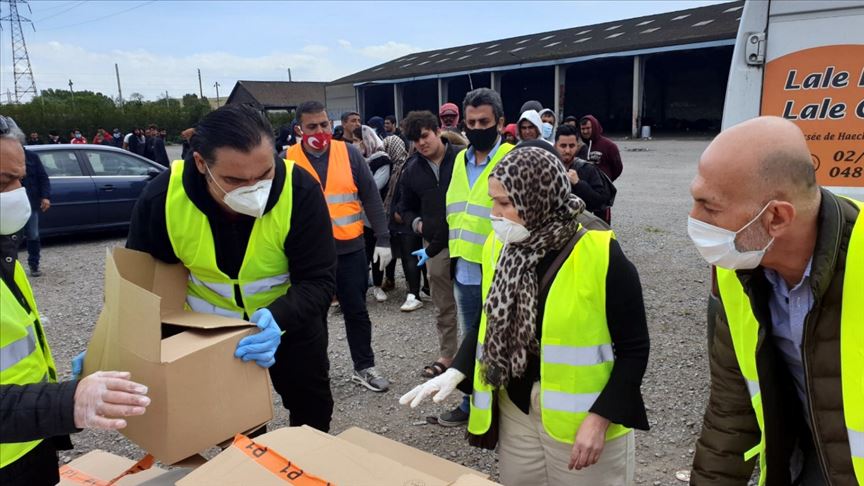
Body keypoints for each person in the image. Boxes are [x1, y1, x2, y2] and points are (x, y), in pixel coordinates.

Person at [401, 145, 649, 486]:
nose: (494, 214)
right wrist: (458, 369)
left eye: (505, 203)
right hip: (516, 409)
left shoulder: (600, 252)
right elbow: (489, 319)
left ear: (538, 198)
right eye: (492, 201)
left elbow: (634, 349)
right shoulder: (499, 246)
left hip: (583, 420)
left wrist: (601, 417)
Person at [126, 105, 336, 432]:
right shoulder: (164, 198)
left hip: (288, 323)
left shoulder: (300, 190)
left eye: (264, 174)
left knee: (312, 409)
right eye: (234, 180)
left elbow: (319, 280)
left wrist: (278, 318)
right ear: (201, 164)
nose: (252, 188)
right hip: (213, 331)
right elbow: (140, 284)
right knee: (238, 427)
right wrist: (123, 344)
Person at [689, 116, 863, 485]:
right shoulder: (739, 269)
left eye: (709, 207)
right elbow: (730, 411)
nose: (694, 218)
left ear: (777, 217)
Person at [1, 115, 151, 485]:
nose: (18, 193)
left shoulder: (5, 252)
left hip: (28, 440)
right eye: (3, 182)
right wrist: (68, 401)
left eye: (20, 180)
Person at [287, 100, 393, 392]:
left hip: (349, 249)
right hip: (308, 256)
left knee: (356, 311)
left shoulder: (348, 153)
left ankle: (364, 366)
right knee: (312, 317)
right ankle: (316, 369)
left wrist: (383, 239)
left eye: (324, 124)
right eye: (312, 126)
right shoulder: (286, 160)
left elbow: (370, 196)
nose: (320, 131)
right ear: (299, 129)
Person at [439, 87, 514, 426]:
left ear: (499, 121)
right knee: (472, 338)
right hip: (465, 269)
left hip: (501, 269)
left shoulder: (512, 158)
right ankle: (472, 404)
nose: (477, 128)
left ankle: (504, 406)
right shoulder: (458, 160)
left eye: (484, 122)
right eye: (471, 123)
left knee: (503, 337)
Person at [399, 110, 464, 377]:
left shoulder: (463, 158)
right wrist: (418, 224)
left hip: (469, 239)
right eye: (415, 140)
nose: (421, 143)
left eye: (425, 136)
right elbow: (404, 207)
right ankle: (448, 355)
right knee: (443, 302)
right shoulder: (411, 170)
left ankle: (481, 353)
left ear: (438, 131)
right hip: (435, 245)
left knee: (478, 298)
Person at [381, 133, 426, 312]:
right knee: (418, 255)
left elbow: (404, 191)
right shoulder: (410, 162)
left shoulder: (412, 164)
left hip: (409, 216)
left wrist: (399, 210)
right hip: (412, 215)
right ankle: (422, 289)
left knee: (411, 256)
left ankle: (414, 294)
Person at [358, 125, 396, 302]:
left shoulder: (381, 159)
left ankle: (378, 285)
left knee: (376, 250)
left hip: (376, 213)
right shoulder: (359, 160)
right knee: (362, 253)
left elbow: (374, 186)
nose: (356, 144)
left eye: (358, 140)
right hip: (358, 215)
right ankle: (359, 287)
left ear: (367, 140)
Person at [555, 125, 613, 224]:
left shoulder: (588, 169)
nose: (567, 150)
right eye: (563, 146)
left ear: (577, 146)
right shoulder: (548, 167)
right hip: (553, 227)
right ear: (555, 145)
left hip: (582, 226)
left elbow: (601, 202)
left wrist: (579, 184)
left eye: (571, 146)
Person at [21, 147, 51, 277]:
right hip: (10, 202)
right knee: (10, 238)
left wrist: (45, 197)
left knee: (33, 234)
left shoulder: (32, 157)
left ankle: (34, 265)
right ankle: (9, 267)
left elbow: (43, 178)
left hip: (30, 202)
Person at [578, 115, 622, 182]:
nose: (585, 131)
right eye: (583, 129)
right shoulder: (577, 146)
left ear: (594, 127)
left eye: (588, 128)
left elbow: (618, 167)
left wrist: (607, 181)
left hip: (602, 186)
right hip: (582, 185)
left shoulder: (609, 146)